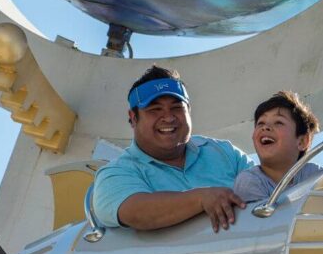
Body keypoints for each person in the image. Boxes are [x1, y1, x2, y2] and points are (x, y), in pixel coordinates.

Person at [92, 65, 252, 232]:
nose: (168, 117)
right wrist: (201, 198)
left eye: (177, 107)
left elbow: (267, 187)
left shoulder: (225, 151)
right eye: (155, 109)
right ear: (133, 118)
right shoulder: (115, 172)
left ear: (188, 111)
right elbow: (136, 212)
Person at [233, 91, 321, 203]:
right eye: (260, 123)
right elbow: (264, 220)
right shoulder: (249, 180)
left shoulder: (313, 174)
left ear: (302, 141)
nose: (265, 127)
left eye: (278, 122)